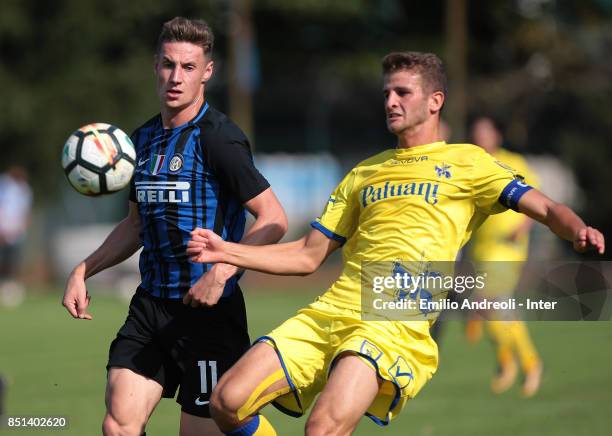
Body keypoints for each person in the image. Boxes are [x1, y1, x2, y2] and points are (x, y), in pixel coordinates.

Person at [187, 51, 605, 436]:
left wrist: (576, 229)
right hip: (334, 307)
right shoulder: (364, 173)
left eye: (403, 92)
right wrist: (227, 251)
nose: (390, 101)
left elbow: (547, 208)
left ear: (435, 101)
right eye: (386, 93)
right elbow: (306, 255)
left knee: (323, 428)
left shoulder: (469, 162)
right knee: (227, 402)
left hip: (395, 316)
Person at [62, 17, 287, 436]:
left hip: (208, 312)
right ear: (155, 65)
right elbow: (134, 227)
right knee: (118, 425)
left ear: (208, 72)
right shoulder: (140, 141)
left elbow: (274, 218)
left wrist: (223, 272)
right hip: (151, 306)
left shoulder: (219, 138)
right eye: (168, 65)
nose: (176, 77)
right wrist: (83, 270)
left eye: (188, 67)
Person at [465, 116, 543, 397]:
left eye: (485, 132)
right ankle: (516, 362)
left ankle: (521, 364)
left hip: (507, 249)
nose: (481, 138)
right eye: (476, 133)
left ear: (496, 135)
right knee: (497, 310)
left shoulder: (514, 163)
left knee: (489, 303)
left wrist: (522, 226)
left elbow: (537, 200)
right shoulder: (471, 165)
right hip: (482, 249)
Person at [0, 165, 32, 284]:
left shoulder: (26, 190)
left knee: (13, 261)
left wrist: (21, 229)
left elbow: (26, 212)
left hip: (16, 233)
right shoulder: (4, 185)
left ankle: (10, 283)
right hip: (3, 231)